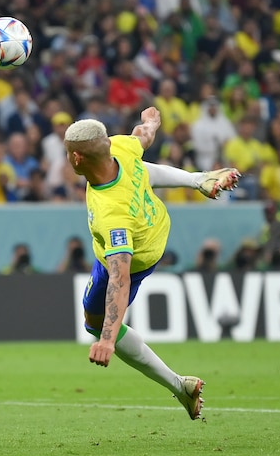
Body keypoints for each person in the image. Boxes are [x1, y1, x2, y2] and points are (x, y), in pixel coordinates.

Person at [63, 106, 239, 421]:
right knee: (140, 168)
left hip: (137, 253)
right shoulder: (119, 147)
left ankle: (179, 386)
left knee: (94, 321)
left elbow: (120, 278)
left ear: (77, 158)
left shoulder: (112, 215)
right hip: (151, 227)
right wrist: (151, 122)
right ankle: (199, 180)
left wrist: (106, 339)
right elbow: (143, 139)